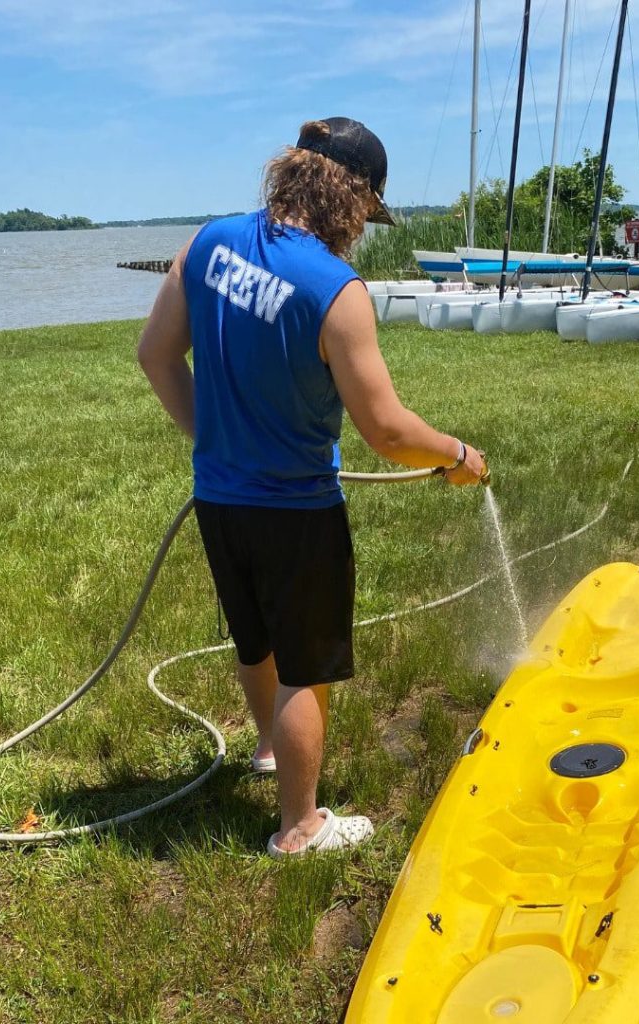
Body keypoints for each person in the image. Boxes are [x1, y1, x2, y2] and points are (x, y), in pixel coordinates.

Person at [138, 117, 486, 858]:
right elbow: (385, 429)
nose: (361, 227)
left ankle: (270, 747)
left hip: (219, 501)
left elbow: (156, 356)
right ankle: (300, 827)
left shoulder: (207, 243)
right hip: (297, 510)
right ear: (351, 196)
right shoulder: (336, 288)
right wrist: (457, 453)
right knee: (307, 667)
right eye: (366, 210)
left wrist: (212, 439)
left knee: (255, 637)